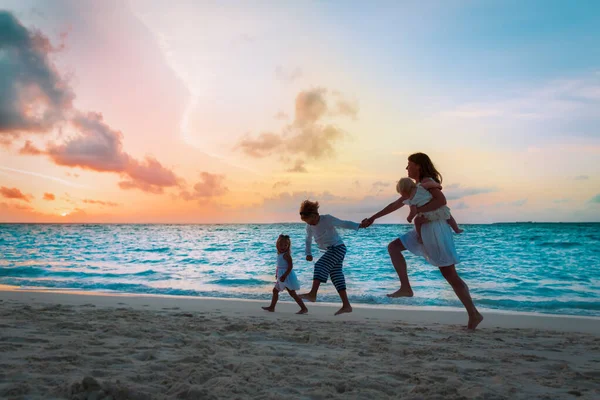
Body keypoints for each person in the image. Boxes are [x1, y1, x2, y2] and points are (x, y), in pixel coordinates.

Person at [362, 152, 483, 330]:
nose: (406, 168)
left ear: (418, 166)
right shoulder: (414, 187)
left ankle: (473, 313)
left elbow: (441, 201)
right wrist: (373, 218)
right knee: (393, 247)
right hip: (424, 226)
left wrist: (420, 210)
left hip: (435, 229)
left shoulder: (427, 182)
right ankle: (406, 287)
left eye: (409, 164)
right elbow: (394, 205)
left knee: (450, 274)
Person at [298, 200, 361, 315]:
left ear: (315, 215)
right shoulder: (309, 226)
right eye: (307, 222)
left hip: (338, 248)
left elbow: (343, 223)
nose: (310, 224)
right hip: (331, 250)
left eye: (310, 221)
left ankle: (313, 294)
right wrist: (308, 253)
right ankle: (346, 305)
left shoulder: (327, 219)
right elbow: (308, 239)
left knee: (319, 265)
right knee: (336, 275)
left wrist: (358, 225)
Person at [397, 177, 463, 243]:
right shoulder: (421, 186)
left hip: (427, 215)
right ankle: (456, 229)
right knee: (448, 216)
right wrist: (438, 186)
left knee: (416, 221)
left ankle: (420, 237)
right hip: (438, 209)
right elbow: (432, 184)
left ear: (404, 191)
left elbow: (413, 211)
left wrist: (409, 218)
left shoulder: (411, 200)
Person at [262, 234, 308, 314]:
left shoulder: (286, 255)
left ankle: (304, 308)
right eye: (281, 245)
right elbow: (279, 266)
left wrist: (284, 275)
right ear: (277, 245)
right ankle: (272, 307)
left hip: (286, 276)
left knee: (292, 293)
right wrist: (277, 274)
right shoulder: (280, 254)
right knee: (275, 291)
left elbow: (290, 267)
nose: (283, 247)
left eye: (285, 245)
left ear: (288, 246)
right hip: (281, 276)